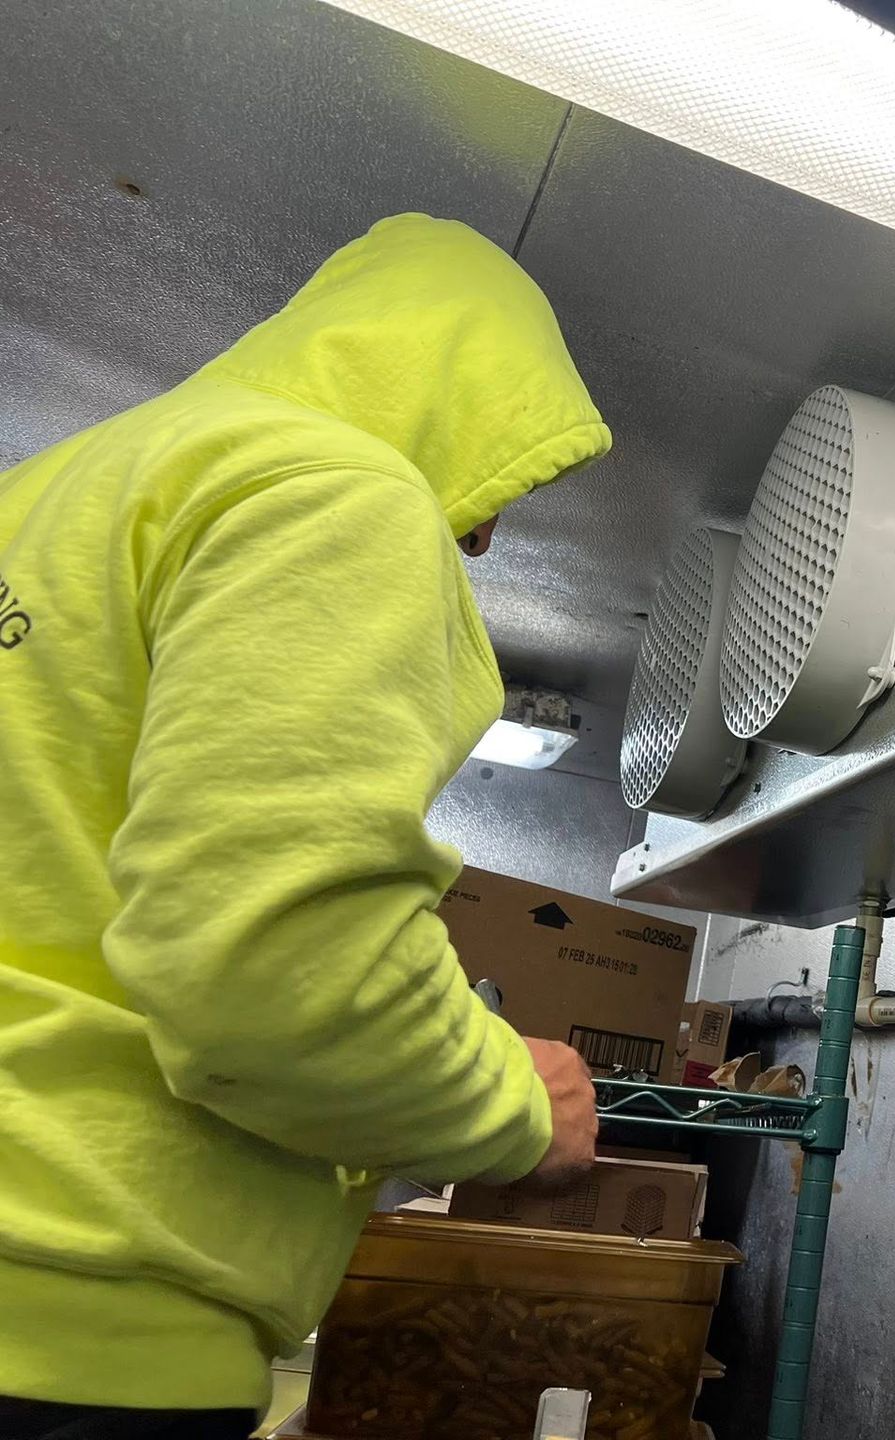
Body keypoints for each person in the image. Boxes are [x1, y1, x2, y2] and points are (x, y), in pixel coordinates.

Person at [0, 214, 609, 1437]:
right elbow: (270, 974)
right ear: (449, 390)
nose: (482, 533)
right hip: (72, 1318)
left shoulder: (52, 492)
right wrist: (511, 1104)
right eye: (505, 476)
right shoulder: (335, 488)